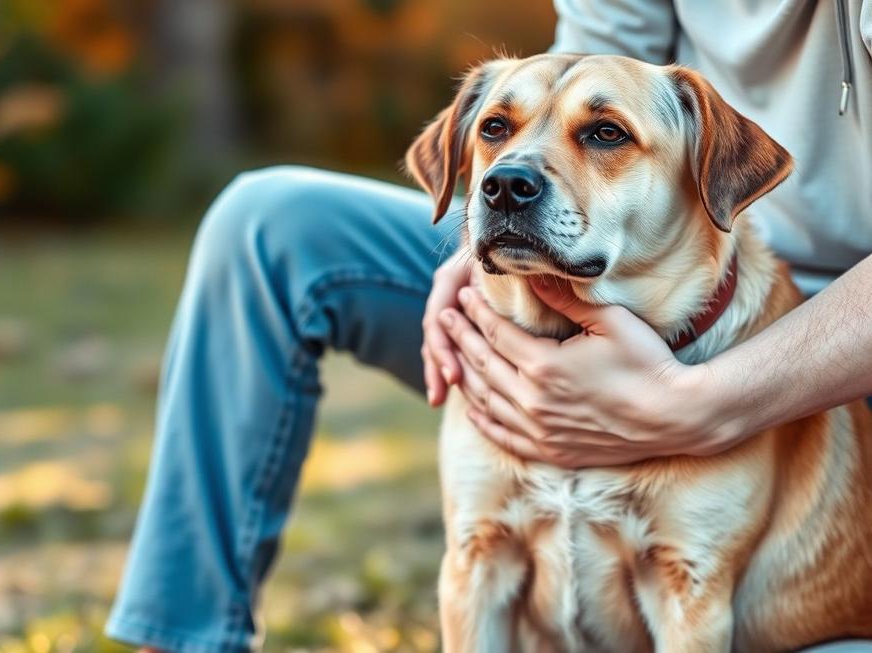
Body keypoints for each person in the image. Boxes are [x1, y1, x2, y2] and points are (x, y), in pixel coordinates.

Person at [106, 1, 872, 651]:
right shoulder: (521, 171)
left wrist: (709, 402)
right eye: (497, 136)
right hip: (617, 253)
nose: (514, 170)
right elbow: (585, 67)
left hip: (821, 334)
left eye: (600, 137)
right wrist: (473, 251)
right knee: (267, 223)